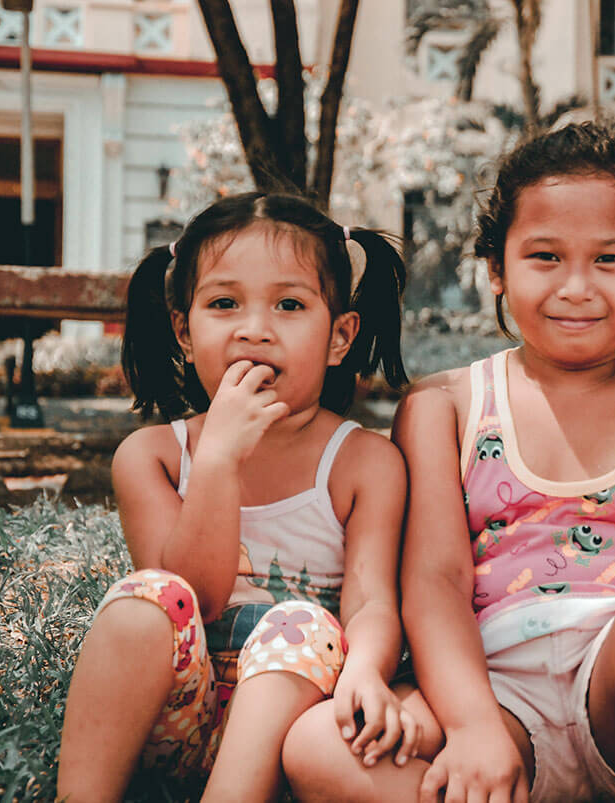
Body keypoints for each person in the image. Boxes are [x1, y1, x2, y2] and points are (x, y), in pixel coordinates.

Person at [282, 121, 615, 802]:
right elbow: (437, 582)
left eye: (609, 260)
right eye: (544, 257)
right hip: (495, 695)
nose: (576, 287)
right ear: (496, 269)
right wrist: (472, 725)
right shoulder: (445, 406)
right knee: (318, 744)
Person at [57, 192, 416, 802]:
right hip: (181, 719)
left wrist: (364, 671)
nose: (255, 328)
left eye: (289, 304)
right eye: (224, 303)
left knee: (298, 622)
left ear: (339, 337)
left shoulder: (364, 462)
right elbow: (193, 594)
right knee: (142, 599)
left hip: (295, 728)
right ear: (185, 332)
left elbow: (373, 601)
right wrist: (218, 461)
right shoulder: (154, 458)